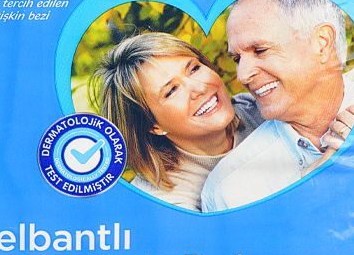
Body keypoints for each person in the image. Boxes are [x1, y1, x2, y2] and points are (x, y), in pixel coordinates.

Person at [200, 0, 354, 212]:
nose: (242, 75)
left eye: (260, 50)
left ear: (322, 42)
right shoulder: (230, 190)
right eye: (237, 59)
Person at [88, 33, 263, 211]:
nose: (200, 88)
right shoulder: (168, 206)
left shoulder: (260, 111)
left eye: (194, 69)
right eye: (171, 91)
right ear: (153, 126)